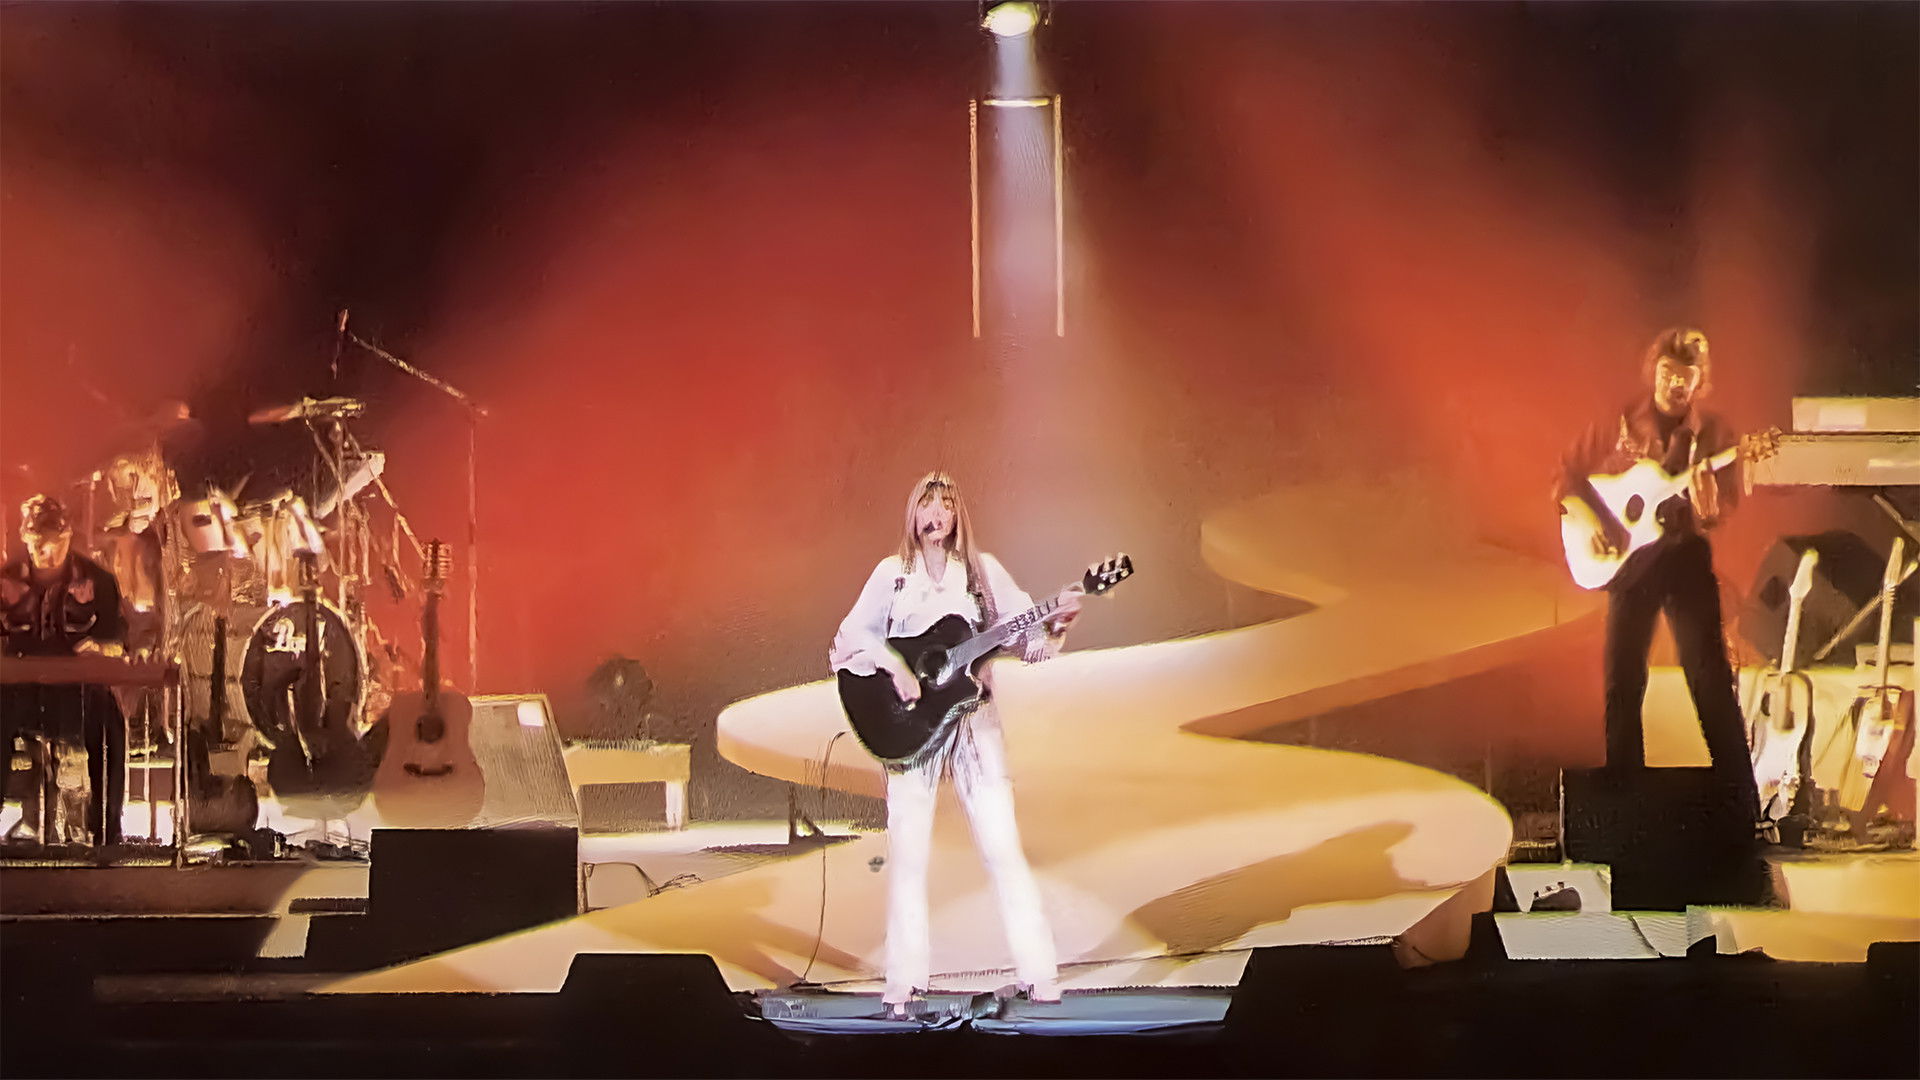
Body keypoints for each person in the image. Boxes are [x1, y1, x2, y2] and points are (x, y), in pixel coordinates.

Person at [830, 472, 1081, 1018]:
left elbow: (1028, 643)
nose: (936, 513)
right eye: (927, 503)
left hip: (972, 719)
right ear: (913, 512)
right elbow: (852, 635)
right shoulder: (893, 574)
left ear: (957, 514)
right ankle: (903, 984)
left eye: (946, 504)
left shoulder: (982, 574)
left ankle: (1040, 974)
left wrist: (1057, 623)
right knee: (909, 852)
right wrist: (897, 668)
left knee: (1001, 844)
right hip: (911, 727)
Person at [1556, 328, 1762, 826]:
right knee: (1622, 679)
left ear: (1699, 382)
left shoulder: (1715, 435)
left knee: (1708, 676)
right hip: (1630, 563)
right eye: (1668, 372)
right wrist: (1594, 521)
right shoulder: (1619, 421)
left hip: (1683, 557)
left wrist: (1708, 509)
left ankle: (1741, 805)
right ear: (1654, 372)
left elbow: (1720, 510)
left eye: (1686, 376)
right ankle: (1624, 806)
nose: (1676, 384)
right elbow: (1566, 478)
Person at [1, 495, 128, 847]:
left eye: (54, 542)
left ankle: (107, 830)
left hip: (77, 692)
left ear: (68, 537)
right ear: (25, 539)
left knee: (109, 724)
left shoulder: (98, 580)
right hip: (20, 692)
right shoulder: (5, 581)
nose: (46, 551)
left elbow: (118, 638)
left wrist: (99, 648)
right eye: (37, 543)